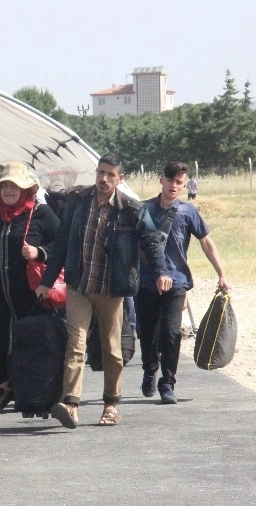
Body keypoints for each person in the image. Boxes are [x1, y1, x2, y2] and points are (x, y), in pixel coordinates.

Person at [36, 154, 168, 429]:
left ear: (120, 178)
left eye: (110, 174)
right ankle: (71, 404)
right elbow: (61, 243)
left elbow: (152, 241)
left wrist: (161, 271)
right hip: (79, 286)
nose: (104, 179)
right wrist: (48, 280)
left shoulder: (130, 208)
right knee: (76, 344)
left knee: (111, 349)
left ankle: (111, 404)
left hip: (111, 289)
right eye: (101, 172)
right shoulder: (78, 202)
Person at [0, 163, 60, 415]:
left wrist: (39, 252)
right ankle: (4, 386)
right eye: (5, 185)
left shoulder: (41, 214)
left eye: (14, 186)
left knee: (32, 344)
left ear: (25, 189)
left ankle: (37, 396)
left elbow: (62, 247)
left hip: (30, 294)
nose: (9, 190)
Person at [136, 161, 229, 404]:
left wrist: (221, 273)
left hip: (176, 282)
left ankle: (167, 382)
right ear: (161, 180)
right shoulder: (143, 209)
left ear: (185, 184)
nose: (174, 186)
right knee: (147, 334)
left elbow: (206, 242)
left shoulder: (188, 212)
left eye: (179, 182)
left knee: (171, 333)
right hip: (146, 282)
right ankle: (149, 369)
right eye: (170, 180)